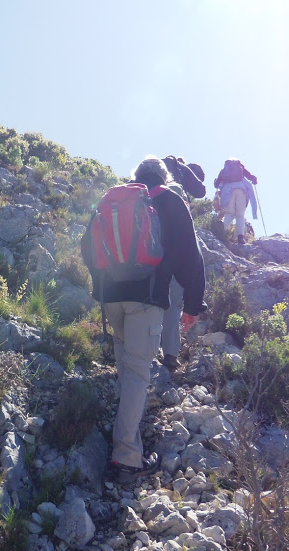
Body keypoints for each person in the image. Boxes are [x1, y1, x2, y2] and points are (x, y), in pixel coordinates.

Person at [81, 157, 207, 479]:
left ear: (137, 177)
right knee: (138, 375)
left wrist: (102, 284)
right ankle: (125, 457)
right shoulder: (170, 200)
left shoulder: (116, 199)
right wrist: (192, 305)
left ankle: (131, 443)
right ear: (163, 176)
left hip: (112, 300)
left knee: (127, 369)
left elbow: (87, 247)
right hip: (146, 301)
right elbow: (191, 258)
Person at [160, 156, 207, 370]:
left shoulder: (156, 174)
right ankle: (169, 353)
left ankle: (145, 348)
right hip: (177, 244)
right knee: (172, 298)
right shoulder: (182, 169)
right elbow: (200, 191)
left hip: (150, 244)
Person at [213, 158, 258, 244]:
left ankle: (222, 230)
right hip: (241, 190)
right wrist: (254, 179)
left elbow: (216, 184)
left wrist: (216, 182)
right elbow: (250, 176)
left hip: (227, 192)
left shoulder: (223, 171)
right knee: (240, 214)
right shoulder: (240, 167)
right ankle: (240, 237)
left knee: (230, 213)